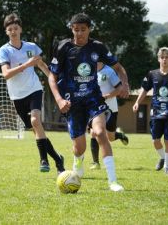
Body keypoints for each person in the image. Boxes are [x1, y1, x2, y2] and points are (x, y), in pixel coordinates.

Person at [48, 13, 129, 192]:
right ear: (71, 29)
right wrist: (59, 99)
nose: (79, 33)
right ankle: (78, 161)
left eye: (83, 30)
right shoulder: (63, 47)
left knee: (100, 133)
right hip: (72, 103)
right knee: (79, 147)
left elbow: (118, 67)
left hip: (93, 98)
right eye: (76, 30)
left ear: (89, 29)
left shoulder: (97, 47)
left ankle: (113, 182)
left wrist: (125, 83)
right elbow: (52, 77)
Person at [0, 13, 65, 174]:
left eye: (16, 28)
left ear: (20, 29)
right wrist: (26, 64)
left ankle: (44, 160)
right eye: (10, 29)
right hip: (17, 96)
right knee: (36, 130)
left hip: (34, 89)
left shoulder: (31, 47)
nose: (13, 31)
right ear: (6, 32)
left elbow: (41, 65)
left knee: (35, 121)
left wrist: (54, 81)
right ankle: (58, 160)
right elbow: (6, 74)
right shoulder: (4, 51)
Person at [89, 62, 129, 170]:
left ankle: (119, 135)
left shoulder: (109, 71)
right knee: (94, 132)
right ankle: (95, 162)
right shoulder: (89, 70)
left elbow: (119, 89)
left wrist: (107, 96)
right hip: (96, 108)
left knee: (110, 137)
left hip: (110, 108)